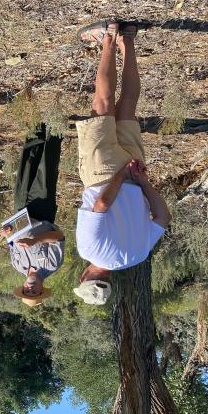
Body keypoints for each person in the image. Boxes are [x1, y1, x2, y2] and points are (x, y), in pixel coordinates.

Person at [73, 20, 171, 305]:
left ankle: (127, 40)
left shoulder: (137, 256)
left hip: (135, 173)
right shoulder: (89, 251)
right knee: (103, 105)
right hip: (104, 173)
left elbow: (162, 218)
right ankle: (107, 38)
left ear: (108, 282)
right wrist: (119, 175)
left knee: (128, 104)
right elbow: (100, 206)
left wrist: (141, 180)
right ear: (84, 277)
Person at [0, 124, 65, 307]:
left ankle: (37, 126)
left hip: (20, 213)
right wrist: (35, 242)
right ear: (42, 290)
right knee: (46, 167)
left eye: (27, 292)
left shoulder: (17, 265)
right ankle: (54, 125)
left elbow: (12, 242)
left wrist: (7, 233)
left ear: (22, 287)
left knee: (26, 166)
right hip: (43, 212)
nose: (30, 289)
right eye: (34, 293)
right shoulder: (52, 265)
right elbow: (59, 237)